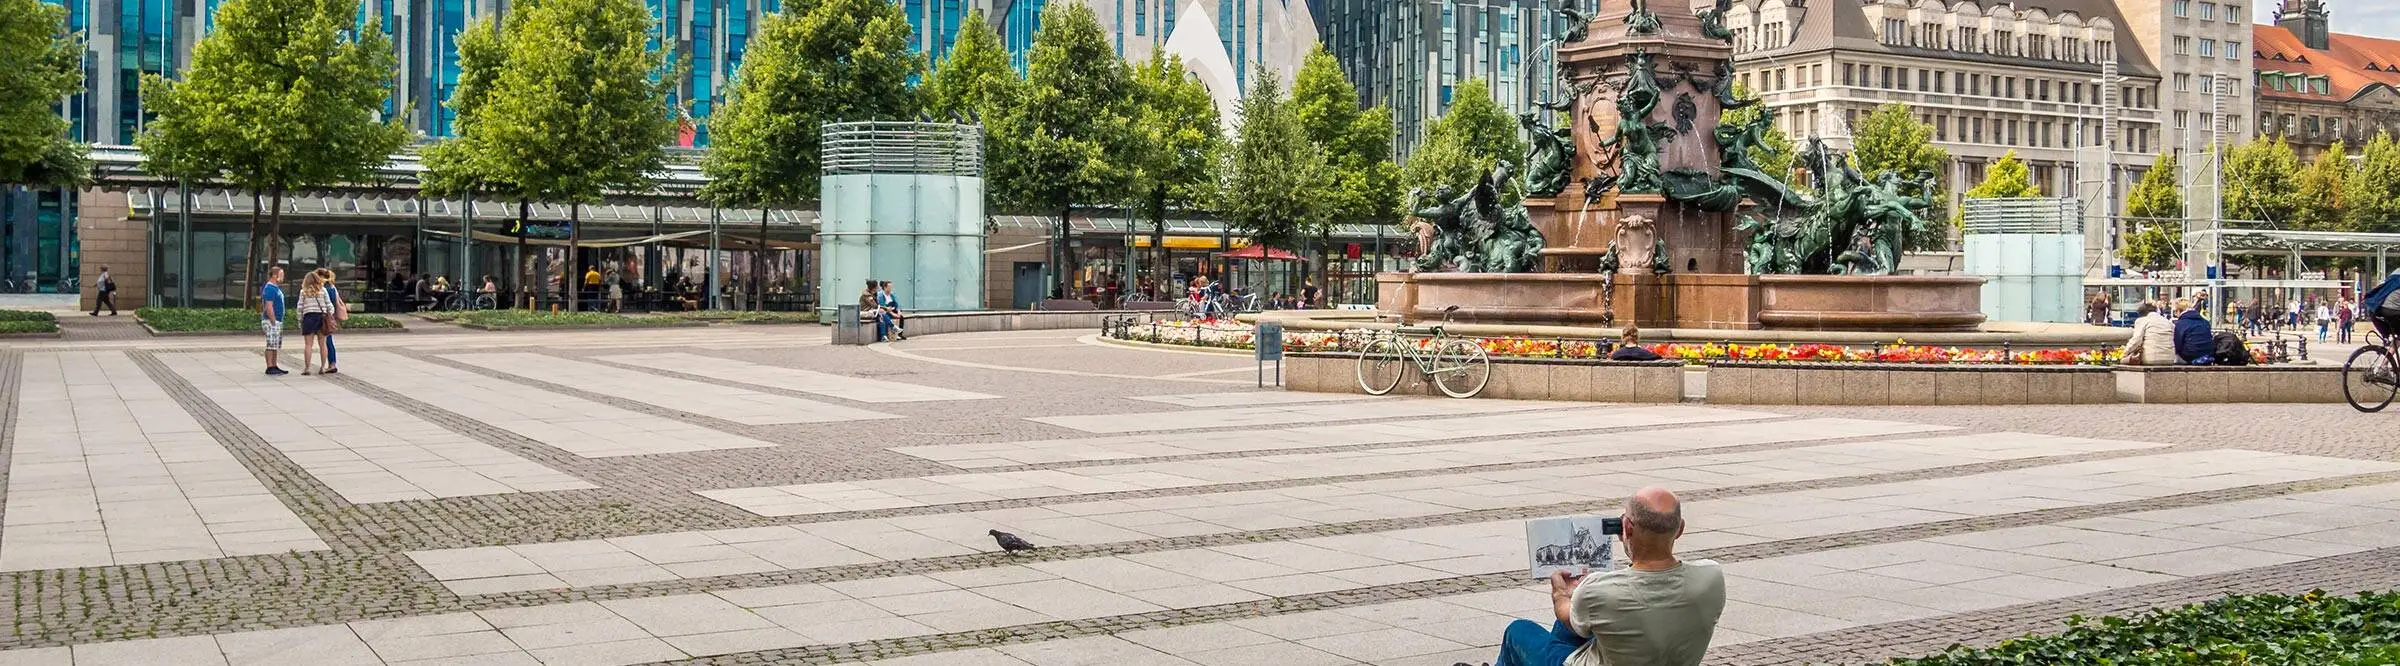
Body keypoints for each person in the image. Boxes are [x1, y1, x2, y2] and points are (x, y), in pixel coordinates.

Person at [1492, 487, 1724, 666]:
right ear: (1680, 529)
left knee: (1518, 631)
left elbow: (1567, 616)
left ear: (1627, 528)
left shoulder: (1599, 589)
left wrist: (1561, 594)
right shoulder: (1711, 578)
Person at [315, 268, 344, 375]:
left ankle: (331, 364)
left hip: (324, 317)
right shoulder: (332, 287)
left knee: (326, 341)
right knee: (328, 340)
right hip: (330, 317)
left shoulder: (323, 289)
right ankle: (332, 363)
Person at [260, 266, 289, 376]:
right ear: (274, 275)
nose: (283, 277)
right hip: (271, 320)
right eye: (281, 275)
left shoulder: (275, 288)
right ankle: (270, 366)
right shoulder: (270, 288)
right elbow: (269, 306)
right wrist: (273, 320)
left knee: (275, 344)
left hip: (277, 320)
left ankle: (274, 365)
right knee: (271, 344)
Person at [2172, 298, 2215, 365]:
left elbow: (2177, 344)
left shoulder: (2180, 324)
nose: (2175, 314)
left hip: (2189, 356)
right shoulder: (2205, 321)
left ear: (2179, 310)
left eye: (2175, 311)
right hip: (2207, 354)